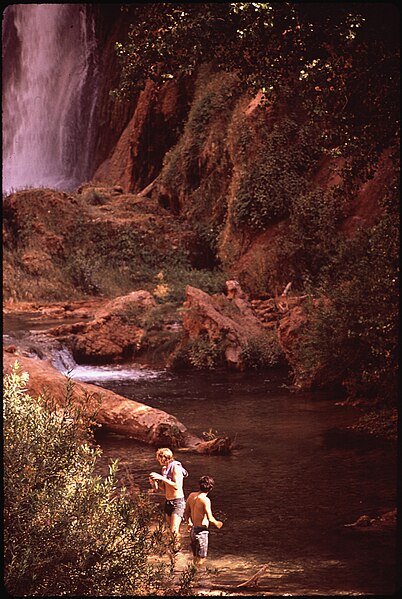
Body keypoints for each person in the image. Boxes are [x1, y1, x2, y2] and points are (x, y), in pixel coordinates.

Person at [149, 447, 188, 549]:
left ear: (164, 457)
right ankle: (172, 551)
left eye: (159, 458)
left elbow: (177, 486)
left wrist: (161, 478)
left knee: (174, 530)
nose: (158, 460)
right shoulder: (164, 469)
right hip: (168, 501)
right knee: (169, 530)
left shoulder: (176, 467)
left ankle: (177, 552)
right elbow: (164, 488)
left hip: (177, 502)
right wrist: (155, 482)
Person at [184, 475, 223, 567]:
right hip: (202, 532)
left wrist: (189, 522)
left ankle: (192, 576)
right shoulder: (205, 500)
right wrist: (218, 523)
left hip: (193, 530)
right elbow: (210, 518)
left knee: (195, 556)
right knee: (202, 558)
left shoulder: (191, 495)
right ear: (211, 488)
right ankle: (200, 578)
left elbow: (186, 512)